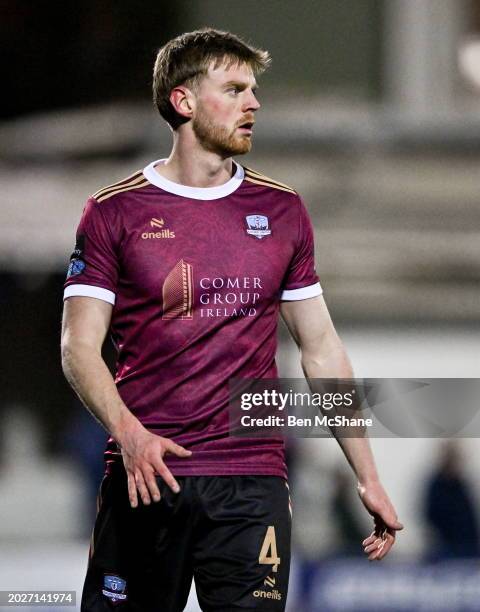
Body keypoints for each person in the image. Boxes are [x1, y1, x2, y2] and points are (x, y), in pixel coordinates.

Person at [61, 28, 403, 612]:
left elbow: (322, 350)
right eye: (235, 88)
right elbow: (78, 347)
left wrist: (366, 473)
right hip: (147, 475)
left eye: (254, 89)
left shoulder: (283, 210)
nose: (254, 103)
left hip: (252, 481)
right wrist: (130, 434)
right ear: (184, 101)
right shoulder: (114, 211)